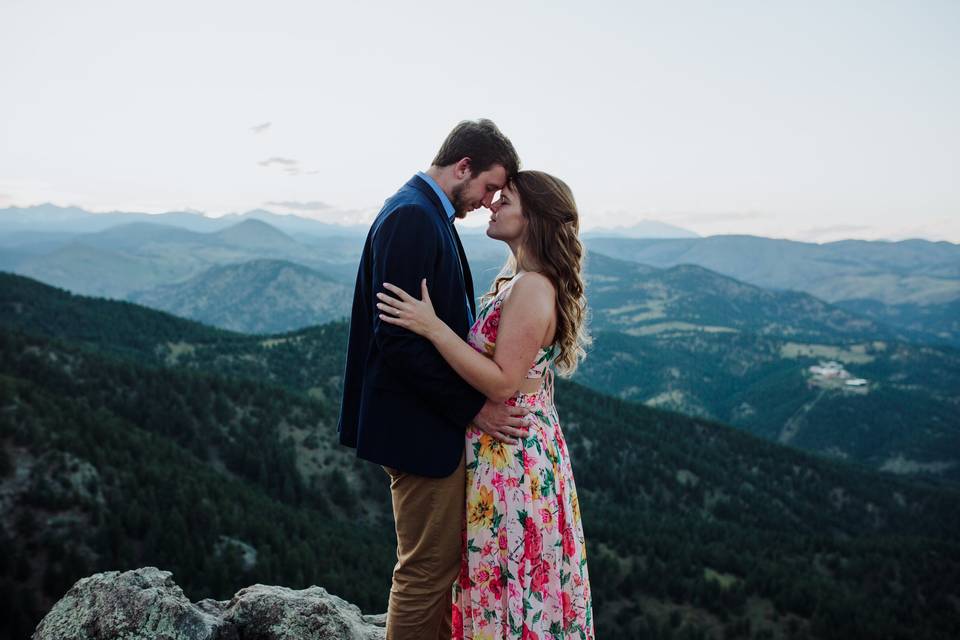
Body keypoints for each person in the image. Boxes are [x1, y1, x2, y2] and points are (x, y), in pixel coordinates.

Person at [376, 170, 594, 639]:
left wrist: (432, 327)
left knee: (510, 570)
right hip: (506, 446)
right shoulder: (519, 278)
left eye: (506, 200)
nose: (492, 204)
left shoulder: (533, 286)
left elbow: (501, 383)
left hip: (511, 455)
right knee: (499, 570)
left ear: (533, 217)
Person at [337, 118, 532, 640]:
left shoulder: (424, 212)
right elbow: (398, 341)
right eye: (489, 186)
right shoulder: (413, 217)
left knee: (436, 569)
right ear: (462, 166)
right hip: (417, 425)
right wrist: (475, 408)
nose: (488, 200)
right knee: (426, 572)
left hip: (423, 422)